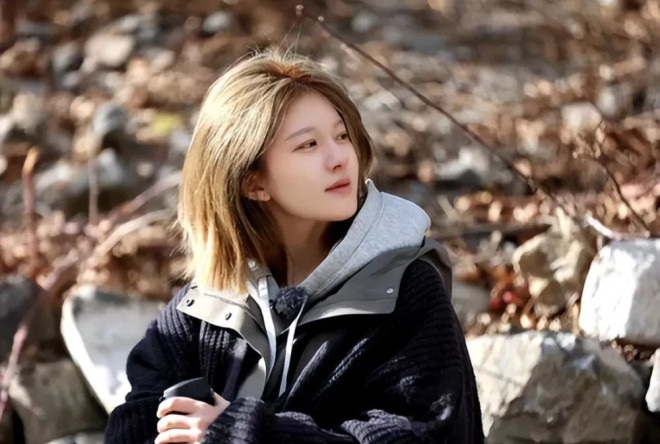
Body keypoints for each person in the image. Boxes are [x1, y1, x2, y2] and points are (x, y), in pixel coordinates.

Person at [105, 49, 484, 443]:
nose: (339, 158)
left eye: (341, 136)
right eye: (309, 145)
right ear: (253, 182)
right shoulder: (206, 306)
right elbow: (135, 421)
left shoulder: (406, 290)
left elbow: (422, 436)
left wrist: (244, 433)